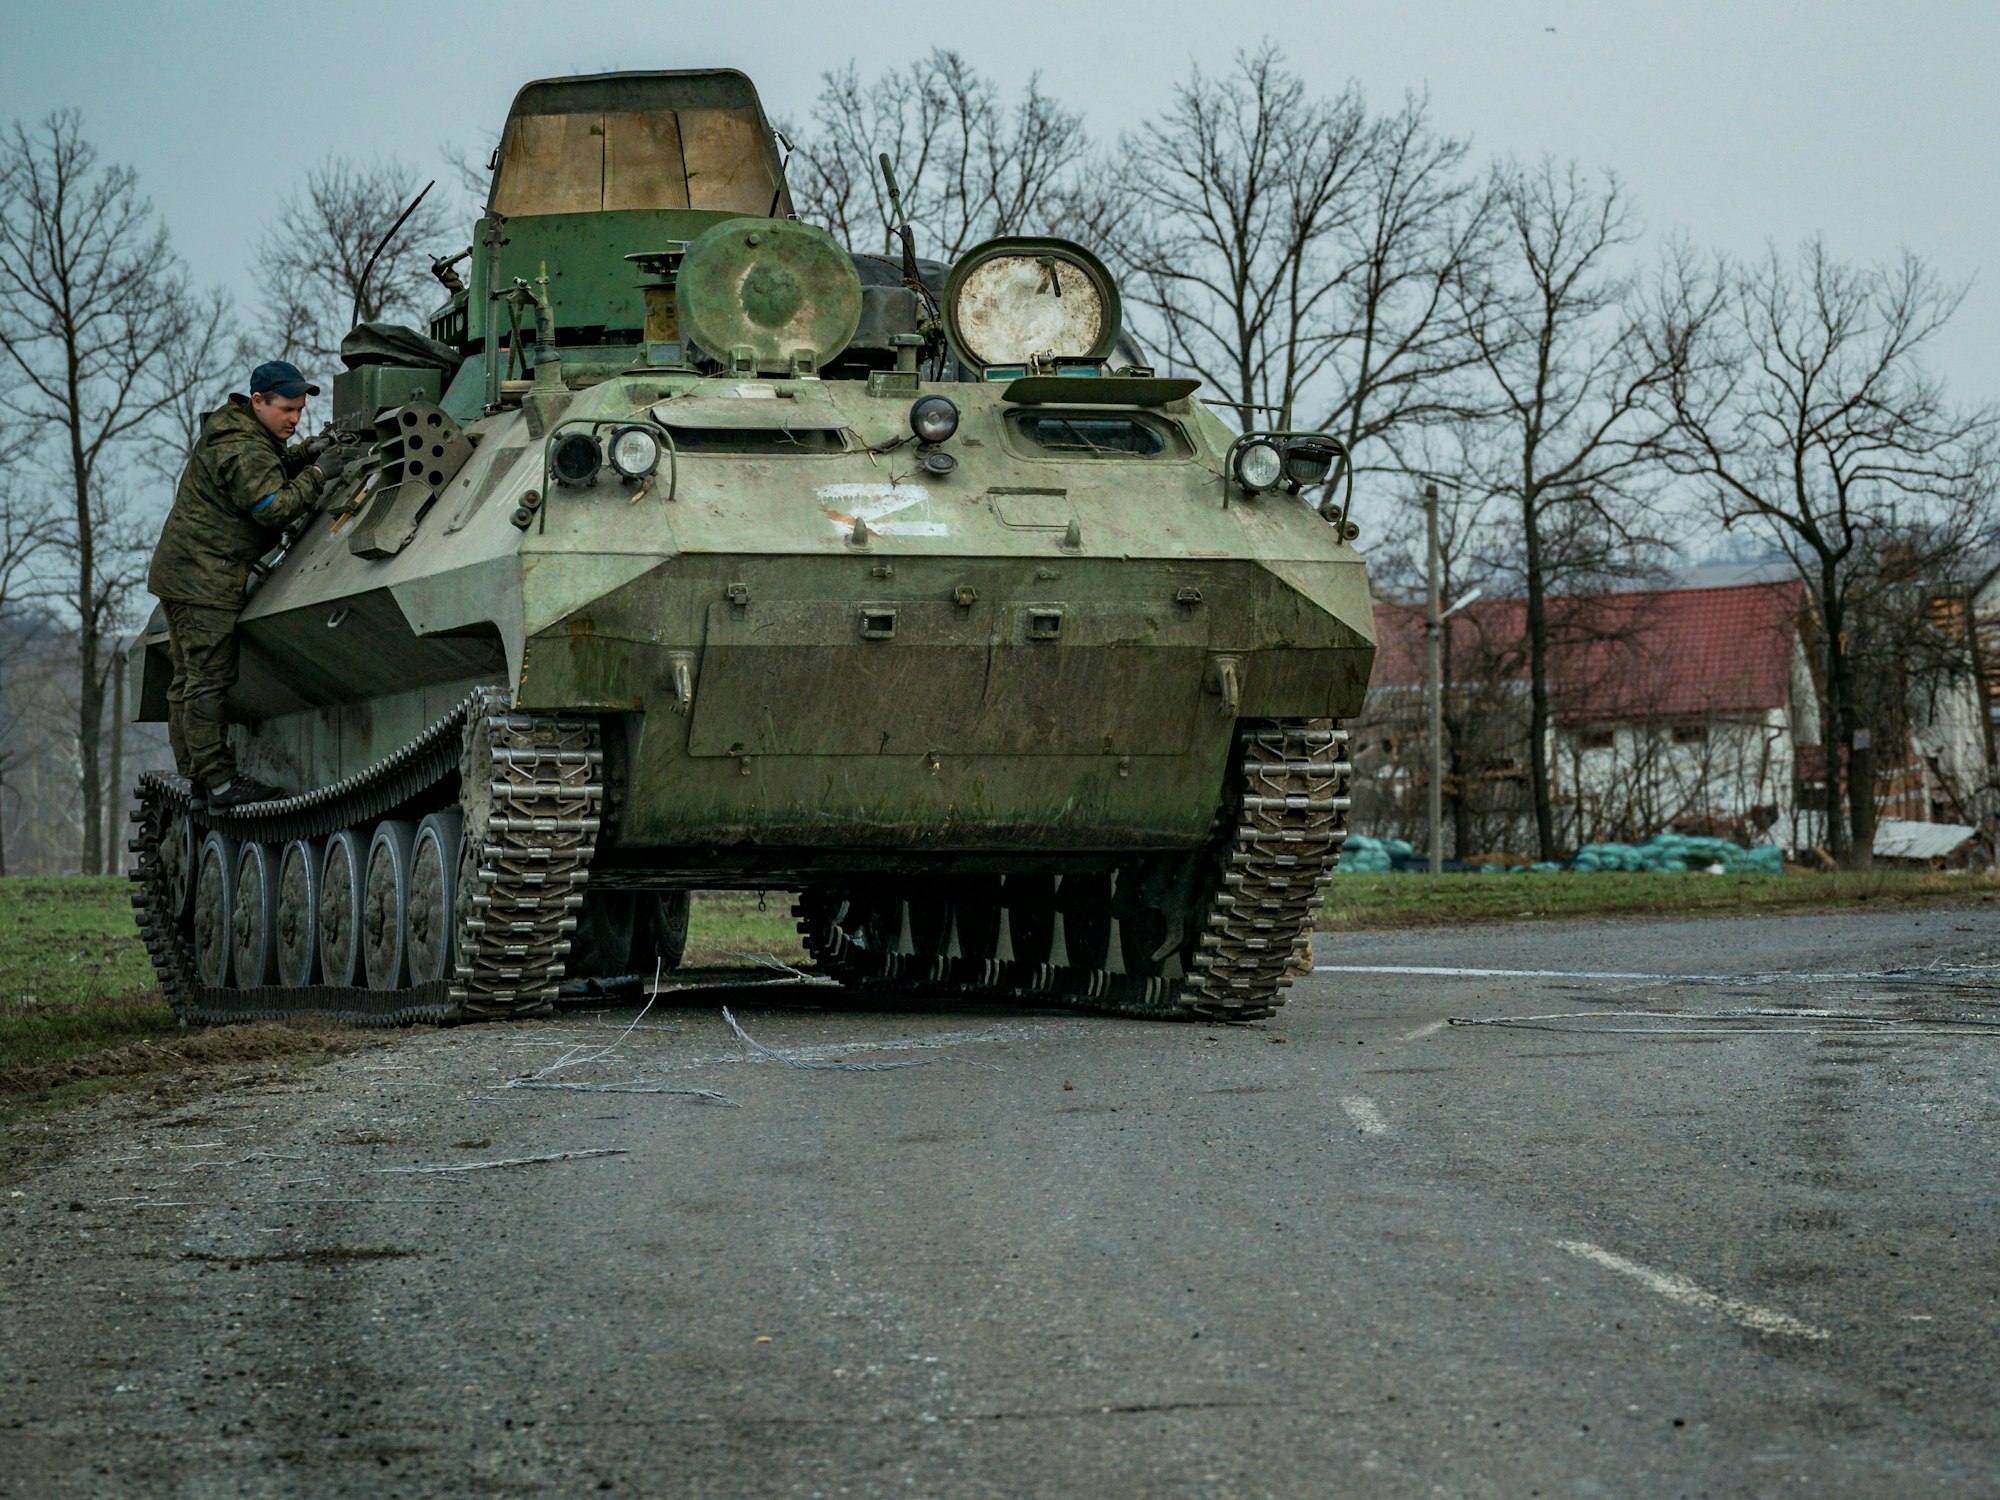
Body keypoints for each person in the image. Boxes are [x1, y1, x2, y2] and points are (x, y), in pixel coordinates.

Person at [147, 360, 347, 810]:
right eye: (287, 409)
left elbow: (270, 464)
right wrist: (319, 475)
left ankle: (198, 778)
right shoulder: (241, 447)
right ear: (259, 402)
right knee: (207, 680)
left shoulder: (240, 430)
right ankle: (218, 784)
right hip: (204, 577)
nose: (295, 418)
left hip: (186, 572)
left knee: (187, 681)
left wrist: (310, 451)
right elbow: (272, 506)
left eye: (299, 410)